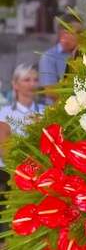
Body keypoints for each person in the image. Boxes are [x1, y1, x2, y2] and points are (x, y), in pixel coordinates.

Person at [0, 63, 44, 197]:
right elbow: (5, 151)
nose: (32, 84)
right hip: (10, 174)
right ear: (15, 84)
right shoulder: (4, 113)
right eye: (27, 80)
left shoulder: (46, 111)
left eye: (35, 80)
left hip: (41, 173)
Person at [38, 13, 81, 101]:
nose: (81, 36)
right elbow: (50, 92)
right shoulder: (49, 57)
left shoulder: (83, 53)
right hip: (59, 110)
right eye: (77, 33)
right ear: (63, 34)